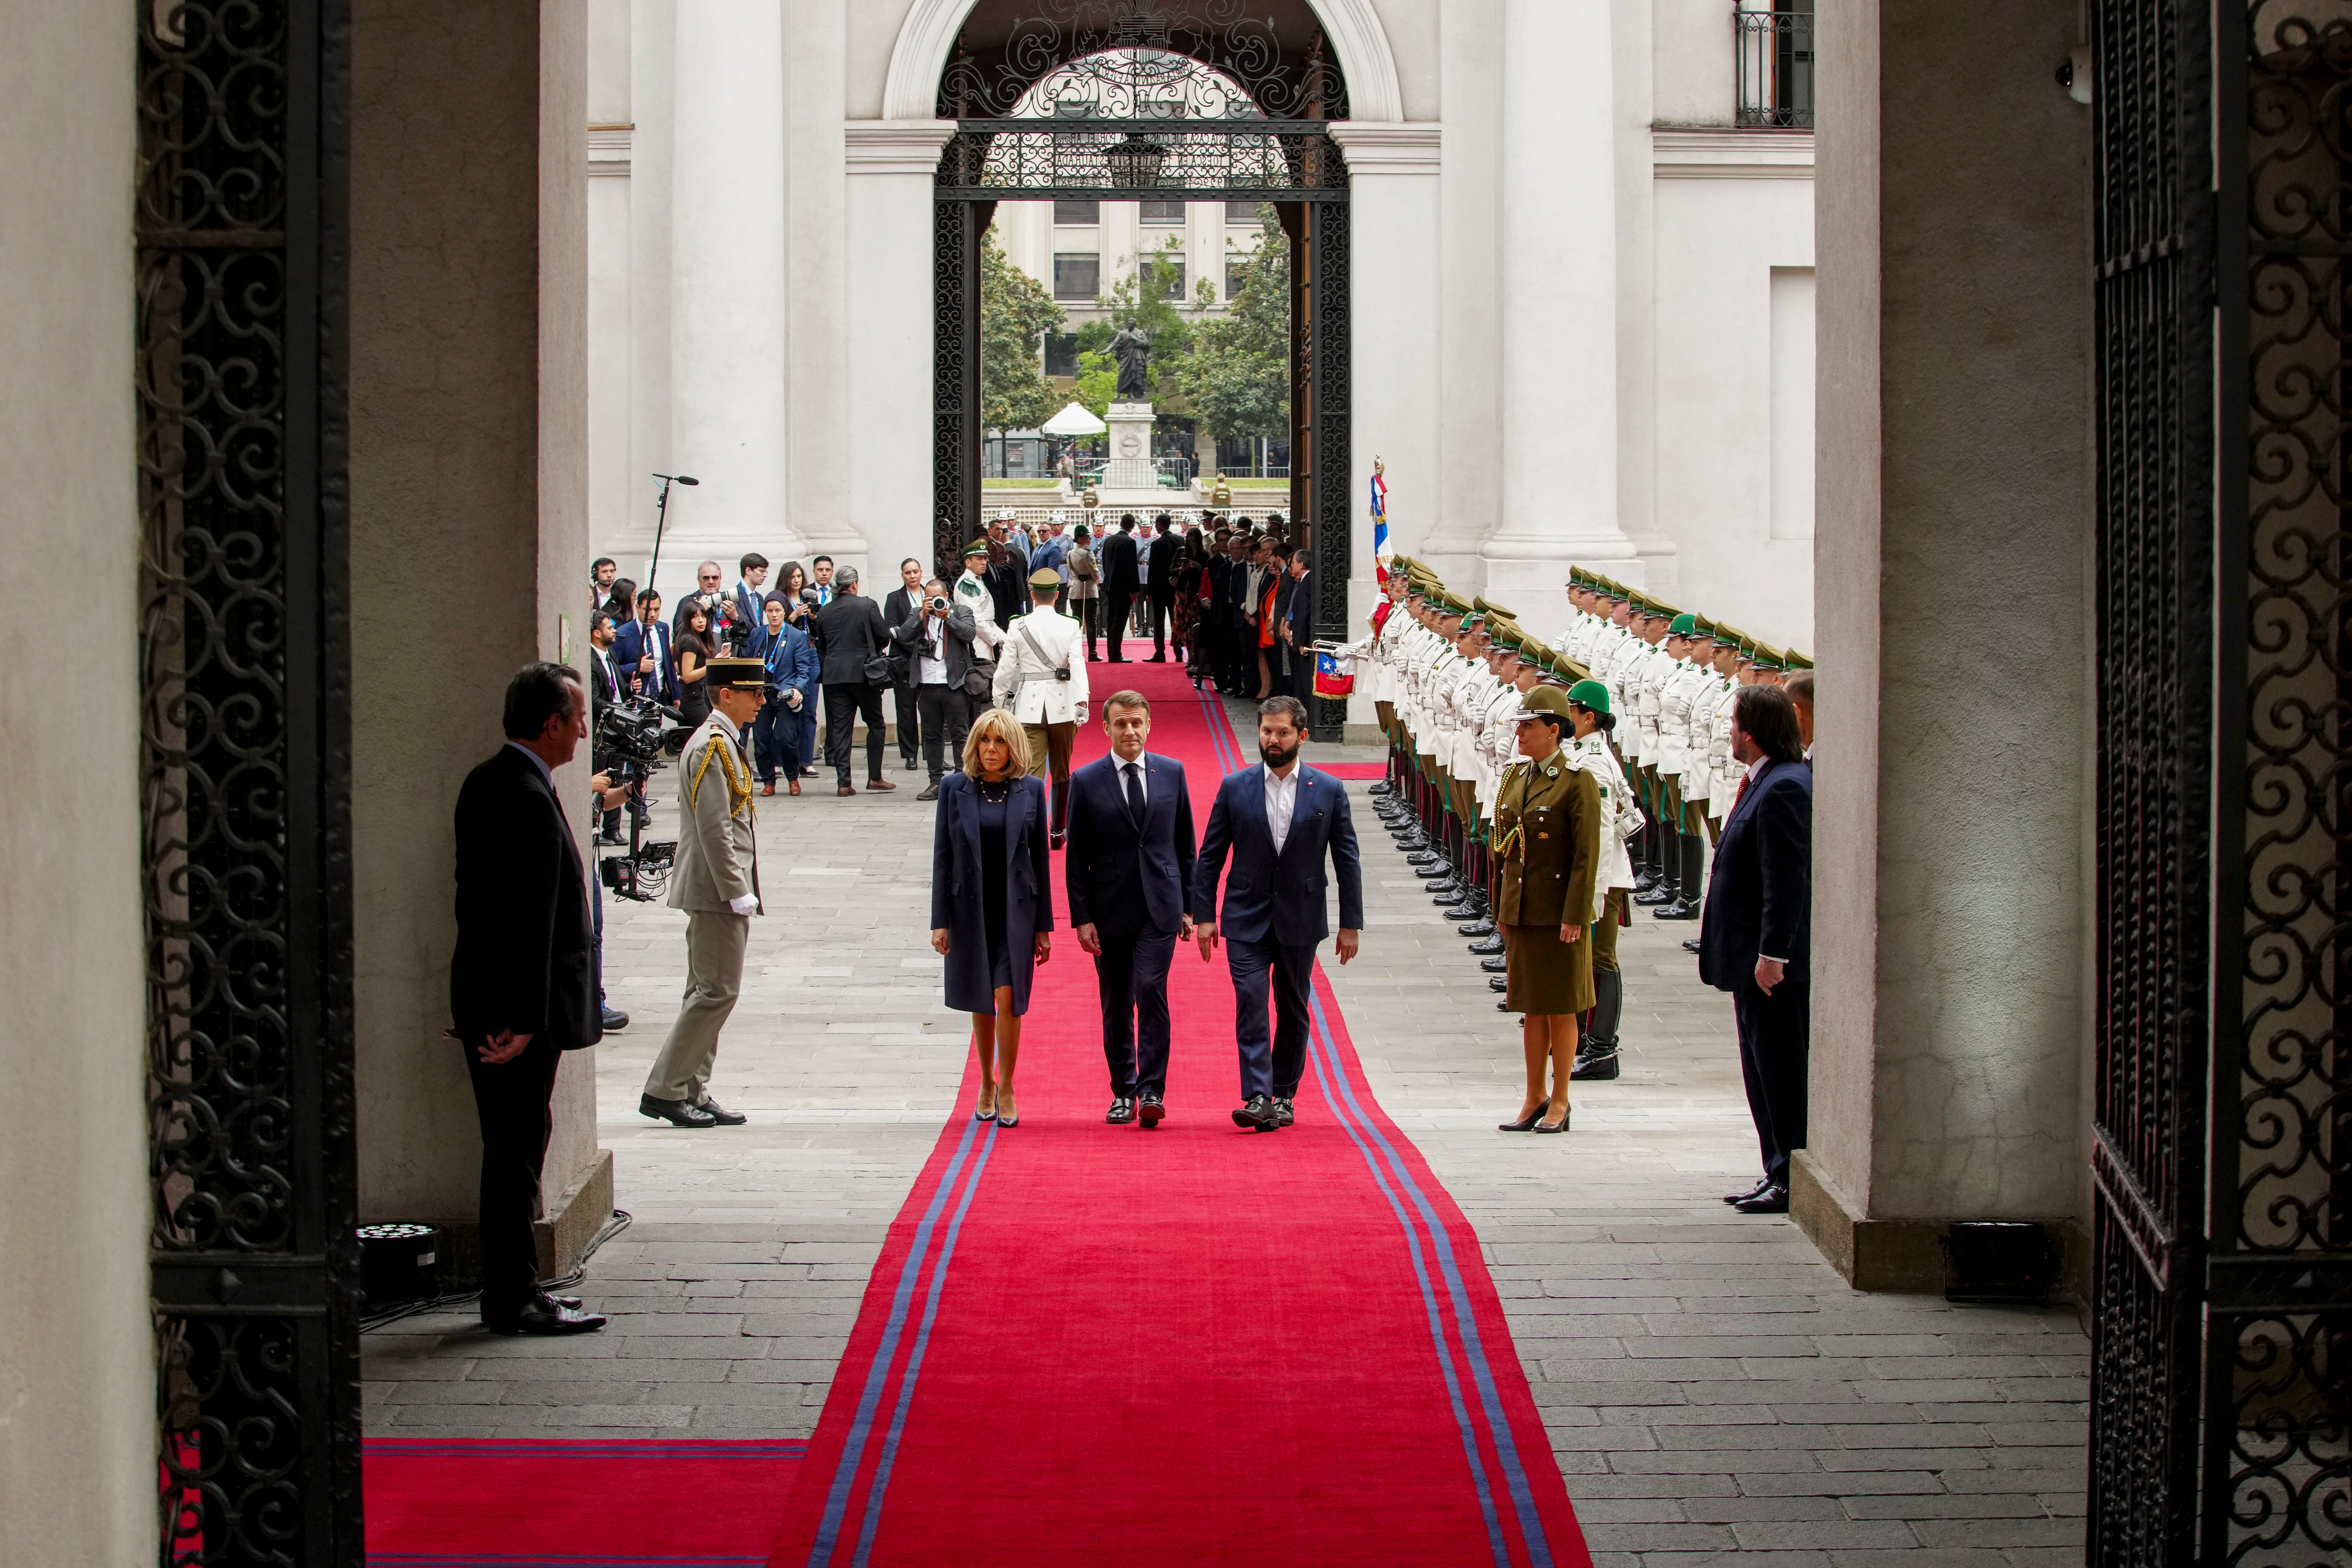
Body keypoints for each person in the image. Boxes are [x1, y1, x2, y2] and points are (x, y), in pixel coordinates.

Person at [449, 663, 607, 1335]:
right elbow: (526, 922)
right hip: (514, 1018)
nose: (582, 732)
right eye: (576, 719)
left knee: (511, 1148)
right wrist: (522, 1020)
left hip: (492, 1001)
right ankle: (513, 1296)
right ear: (550, 724)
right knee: (515, 1154)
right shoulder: (523, 795)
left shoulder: (490, 780)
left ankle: (515, 1289)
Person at [1191, 695, 1364, 1131]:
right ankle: (1256, 1094)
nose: (1273, 739)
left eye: (1282, 731)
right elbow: (1210, 855)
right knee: (1250, 1001)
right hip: (1245, 915)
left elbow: (1347, 859)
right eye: (1267, 730)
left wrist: (1351, 923)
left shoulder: (1328, 789)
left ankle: (1284, 1094)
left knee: (1292, 1006)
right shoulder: (1235, 786)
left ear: (1301, 736)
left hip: (1300, 916)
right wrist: (1204, 915)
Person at [640, 656, 769, 1130]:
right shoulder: (713, 745)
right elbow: (715, 827)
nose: (760, 700)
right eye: (752, 692)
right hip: (716, 889)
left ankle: (692, 1087)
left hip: (716, 888)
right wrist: (736, 889)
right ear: (725, 694)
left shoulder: (722, 741)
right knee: (717, 991)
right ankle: (665, 1089)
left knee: (706, 990)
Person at [1700, 683, 1812, 1214]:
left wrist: (1774, 953)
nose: (1728, 732)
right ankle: (1774, 1169)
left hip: (1770, 967)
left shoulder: (1786, 785)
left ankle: (1790, 1174)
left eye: (1732, 723)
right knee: (1759, 1069)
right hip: (1749, 961)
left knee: (1781, 1071)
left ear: (1752, 730)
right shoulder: (1763, 779)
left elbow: (1785, 879)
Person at [1066, 692, 1197, 1127]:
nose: (1130, 732)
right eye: (1120, 724)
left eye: (1137, 723)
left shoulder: (1172, 773)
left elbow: (1185, 846)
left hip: (1160, 908)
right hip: (1109, 910)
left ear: (1148, 725)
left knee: (1151, 991)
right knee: (1116, 1003)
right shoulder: (1085, 780)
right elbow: (1075, 857)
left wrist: (1190, 906)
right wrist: (1082, 918)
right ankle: (1123, 1090)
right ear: (1105, 728)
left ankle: (1152, 1090)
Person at [929, 708, 1054, 1128]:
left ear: (1013, 747)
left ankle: (1008, 1086)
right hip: (969, 910)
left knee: (1008, 999)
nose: (991, 750)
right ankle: (985, 1081)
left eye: (1000, 741)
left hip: (1016, 912)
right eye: (985, 741)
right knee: (981, 1000)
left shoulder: (1032, 789)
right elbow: (942, 857)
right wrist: (939, 921)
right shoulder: (953, 788)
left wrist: (1044, 927)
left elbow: (1041, 861)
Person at [1490, 686, 1602, 1134]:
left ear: (1554, 730)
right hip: (1522, 908)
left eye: (1529, 725)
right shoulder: (1517, 776)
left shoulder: (1577, 780)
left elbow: (1585, 856)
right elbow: (1503, 850)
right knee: (1531, 1007)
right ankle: (1533, 1093)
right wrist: (1500, 905)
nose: (1519, 733)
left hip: (1558, 912)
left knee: (1561, 1007)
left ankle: (1560, 1099)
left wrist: (1575, 914)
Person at [993, 567, 1091, 848]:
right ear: (1058, 595)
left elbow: (1005, 669)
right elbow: (1078, 665)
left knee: (1030, 773)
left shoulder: (1017, 625)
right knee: (1062, 772)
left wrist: (998, 702)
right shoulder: (1071, 625)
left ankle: (1028, 831)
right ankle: (1058, 831)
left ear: (1032, 594)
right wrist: (1081, 702)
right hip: (1063, 707)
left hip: (1029, 708)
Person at [891, 577, 980, 801]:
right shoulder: (918, 613)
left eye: (936, 598)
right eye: (928, 598)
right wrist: (922, 616)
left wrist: (947, 617)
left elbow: (969, 635)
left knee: (960, 734)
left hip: (954, 683)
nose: (932, 602)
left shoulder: (961, 611)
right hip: (926, 684)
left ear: (947, 596)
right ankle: (936, 782)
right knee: (931, 736)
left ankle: (962, 780)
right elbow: (903, 636)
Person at [809, 566, 894, 796]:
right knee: (876, 723)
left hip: (835, 675)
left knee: (841, 728)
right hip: (864, 674)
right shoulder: (867, 605)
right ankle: (875, 778)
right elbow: (884, 635)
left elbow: (822, 646)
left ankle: (844, 783)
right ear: (855, 584)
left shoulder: (825, 612)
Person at [749, 595, 816, 796]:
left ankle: (793, 778)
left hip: (785, 694)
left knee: (785, 738)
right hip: (761, 694)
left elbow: (804, 670)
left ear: (785, 611)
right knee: (761, 739)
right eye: (770, 611)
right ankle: (768, 780)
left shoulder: (796, 636)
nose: (774, 615)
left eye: (778, 610)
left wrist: (797, 688)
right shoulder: (757, 634)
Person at [882, 557, 927, 775]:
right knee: (906, 709)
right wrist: (916, 648)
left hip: (930, 661)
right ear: (903, 575)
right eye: (908, 573)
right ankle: (910, 754)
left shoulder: (930, 594)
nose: (913, 576)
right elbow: (894, 630)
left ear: (921, 573)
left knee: (930, 710)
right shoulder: (894, 599)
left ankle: (931, 752)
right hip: (905, 661)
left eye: (916, 572)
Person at [614, 589, 674, 703]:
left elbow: (668, 663)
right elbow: (614, 668)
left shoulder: (663, 629)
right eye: (648, 610)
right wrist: (638, 667)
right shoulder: (623, 633)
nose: (653, 615)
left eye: (657, 610)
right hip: (635, 698)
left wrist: (676, 695)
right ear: (637, 608)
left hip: (658, 698)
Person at [1098, 514, 1140, 662]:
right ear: (1132, 526)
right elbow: (1132, 568)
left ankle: (1112, 652)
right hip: (1123, 587)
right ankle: (1116, 653)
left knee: (1111, 620)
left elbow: (1104, 564)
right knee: (1120, 621)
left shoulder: (1108, 541)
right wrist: (1135, 589)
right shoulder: (1130, 542)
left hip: (1109, 585)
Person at [672, 600, 717, 727]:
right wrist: (711, 664)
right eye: (695, 617)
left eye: (703, 616)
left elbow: (675, 662)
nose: (701, 620)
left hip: (692, 695)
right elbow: (688, 677)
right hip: (691, 697)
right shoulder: (690, 640)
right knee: (710, 734)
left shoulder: (690, 638)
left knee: (691, 741)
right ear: (688, 620)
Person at [1145, 513, 1179, 659]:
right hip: (1176, 588)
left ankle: (1160, 652)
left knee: (1159, 623)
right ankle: (1179, 653)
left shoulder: (1157, 544)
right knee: (1176, 621)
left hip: (1160, 589)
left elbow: (1153, 570)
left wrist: (1150, 592)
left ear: (1159, 526)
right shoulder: (1180, 540)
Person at [1067, 525, 1101, 660]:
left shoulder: (1070, 553)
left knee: (1076, 623)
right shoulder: (1088, 553)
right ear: (1080, 538)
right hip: (1090, 591)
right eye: (1087, 536)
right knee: (1092, 623)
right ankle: (1093, 653)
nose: (1090, 538)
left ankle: (1075, 652)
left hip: (1075, 590)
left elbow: (1071, 572)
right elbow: (1096, 574)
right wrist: (1097, 583)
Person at [727, 553, 770, 653]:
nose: (765, 575)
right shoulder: (734, 595)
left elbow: (758, 623)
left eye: (766, 571)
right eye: (762, 571)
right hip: (743, 651)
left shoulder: (759, 597)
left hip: (759, 649)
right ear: (748, 571)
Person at [676, 560, 726, 642]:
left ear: (720, 579)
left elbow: (747, 631)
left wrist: (735, 617)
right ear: (699, 580)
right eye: (706, 578)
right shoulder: (688, 601)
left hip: (727, 653)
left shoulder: (727, 600)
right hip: (700, 652)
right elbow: (678, 632)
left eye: (715, 578)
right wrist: (698, 609)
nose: (711, 582)